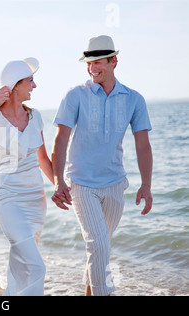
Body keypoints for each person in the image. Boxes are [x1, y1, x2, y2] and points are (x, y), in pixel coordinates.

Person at [51, 35, 153, 296]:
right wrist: (58, 180)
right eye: (89, 63)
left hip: (115, 183)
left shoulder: (134, 99)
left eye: (98, 62)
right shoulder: (75, 95)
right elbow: (61, 139)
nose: (92, 68)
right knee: (98, 245)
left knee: (101, 246)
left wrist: (146, 185)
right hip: (82, 183)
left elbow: (142, 144)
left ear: (114, 61)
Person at [0, 58, 54, 296]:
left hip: (37, 201)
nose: (34, 86)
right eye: (30, 81)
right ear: (15, 85)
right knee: (36, 267)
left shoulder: (36, 117)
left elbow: (44, 159)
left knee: (21, 264)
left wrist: (60, 187)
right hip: (9, 200)